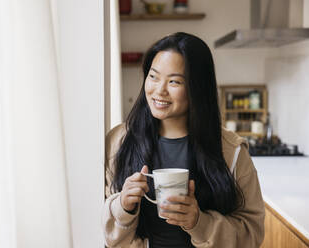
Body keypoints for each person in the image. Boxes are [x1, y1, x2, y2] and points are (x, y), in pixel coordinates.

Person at [102, 32, 265, 248]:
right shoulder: (119, 142)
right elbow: (97, 226)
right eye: (153, 76)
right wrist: (122, 207)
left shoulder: (231, 150)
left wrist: (199, 223)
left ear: (197, 88)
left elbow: (252, 233)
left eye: (174, 81)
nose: (159, 90)